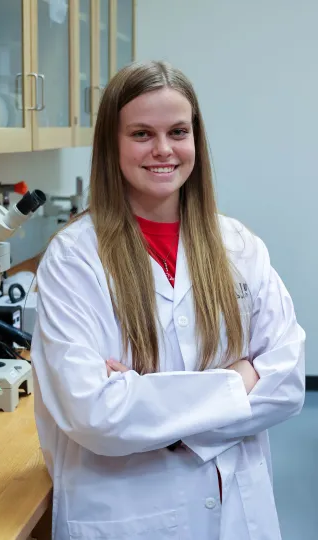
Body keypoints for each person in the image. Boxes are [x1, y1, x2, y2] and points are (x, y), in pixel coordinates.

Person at [31, 60, 305, 540]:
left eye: (177, 131)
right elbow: (96, 415)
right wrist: (237, 380)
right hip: (128, 516)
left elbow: (287, 385)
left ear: (195, 138)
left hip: (238, 513)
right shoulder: (74, 260)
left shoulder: (239, 246)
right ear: (111, 144)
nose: (163, 150)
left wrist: (147, 395)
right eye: (141, 133)